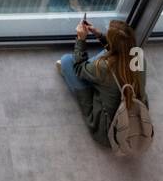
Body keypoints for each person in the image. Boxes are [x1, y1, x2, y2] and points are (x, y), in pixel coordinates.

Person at [57, 18, 149, 148]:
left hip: (109, 133)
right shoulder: (139, 56)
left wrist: (81, 39)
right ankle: (98, 81)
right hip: (135, 116)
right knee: (103, 57)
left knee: (67, 61)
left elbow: (79, 68)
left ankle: (92, 82)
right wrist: (99, 35)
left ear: (113, 43)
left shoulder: (103, 67)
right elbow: (117, 49)